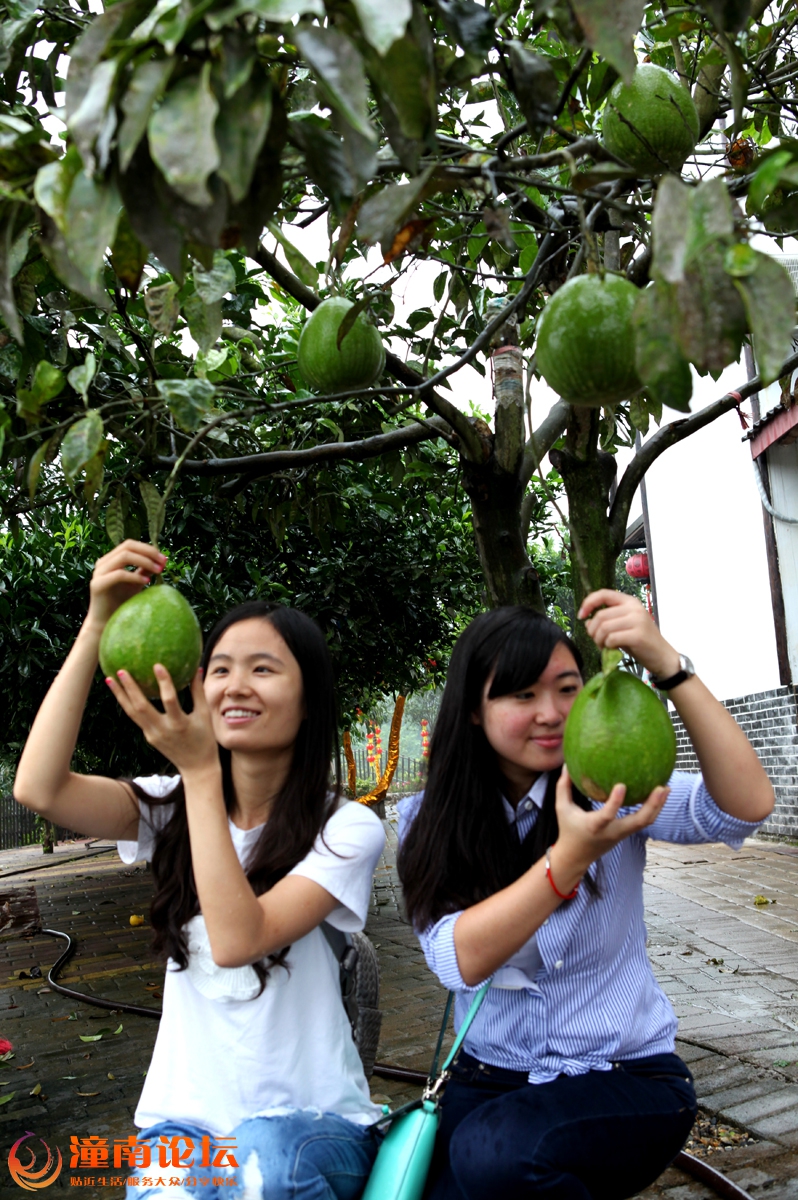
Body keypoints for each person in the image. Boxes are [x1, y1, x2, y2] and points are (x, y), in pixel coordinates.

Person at [14, 540, 386, 1200]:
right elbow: (39, 788)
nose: (236, 684)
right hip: (179, 1126)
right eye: (219, 668)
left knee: (264, 1167)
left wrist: (200, 771)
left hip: (313, 1132)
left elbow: (239, 941)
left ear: (309, 701)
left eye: (264, 669)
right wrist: (98, 623)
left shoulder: (345, 829)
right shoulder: (170, 806)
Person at [396, 590, 774, 1200]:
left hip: (625, 1075)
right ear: (473, 708)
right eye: (522, 695)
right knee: (471, 1169)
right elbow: (456, 960)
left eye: (567, 688)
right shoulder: (428, 818)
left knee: (494, 1159)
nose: (551, 712)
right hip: (489, 1077)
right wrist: (568, 860)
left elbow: (743, 809)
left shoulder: (611, 793)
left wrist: (668, 665)